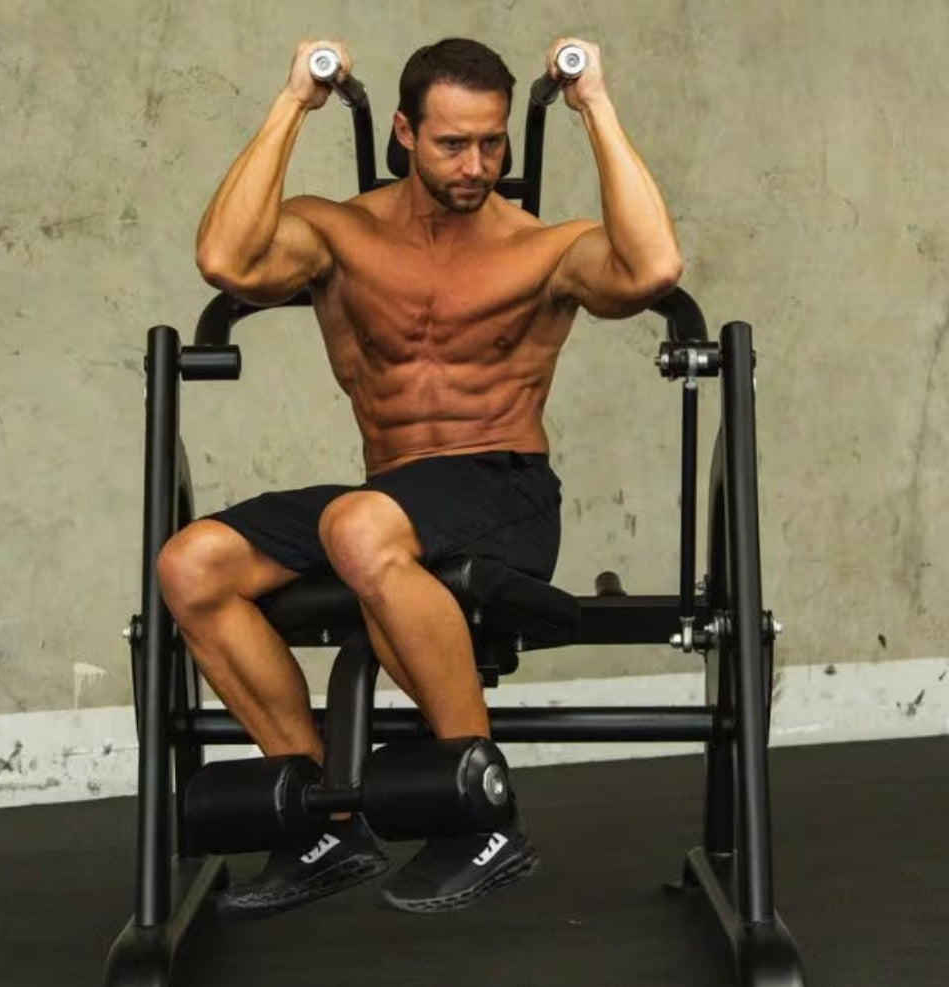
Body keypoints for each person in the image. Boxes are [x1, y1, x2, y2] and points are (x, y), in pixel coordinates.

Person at [158, 35, 681, 918]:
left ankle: (481, 813)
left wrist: (594, 104)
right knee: (191, 564)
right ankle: (326, 822)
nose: (476, 166)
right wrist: (293, 102)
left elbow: (653, 268)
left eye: (492, 143)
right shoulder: (339, 235)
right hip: (387, 496)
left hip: (503, 487)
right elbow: (227, 261)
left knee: (358, 524)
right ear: (403, 132)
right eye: (452, 144)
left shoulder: (543, 249)